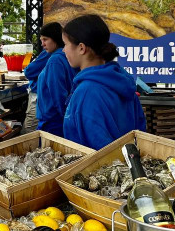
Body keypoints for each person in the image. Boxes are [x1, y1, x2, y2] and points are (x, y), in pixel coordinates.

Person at [62, 14, 146, 149]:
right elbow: (140, 133)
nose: (63, 50)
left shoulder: (87, 92)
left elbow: (97, 149)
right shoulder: (123, 82)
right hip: (127, 159)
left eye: (66, 44)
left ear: (81, 48)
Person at [35, 22, 77, 137]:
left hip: (53, 122)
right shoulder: (65, 57)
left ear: (55, 38)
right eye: (41, 40)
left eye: (45, 39)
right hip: (60, 119)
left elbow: (58, 94)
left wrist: (65, 118)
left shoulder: (55, 60)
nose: (42, 44)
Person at [22, 47, 51, 133]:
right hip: (46, 102)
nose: (42, 44)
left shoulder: (51, 54)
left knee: (29, 130)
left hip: (39, 96)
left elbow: (29, 71)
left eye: (45, 40)